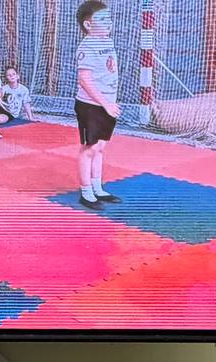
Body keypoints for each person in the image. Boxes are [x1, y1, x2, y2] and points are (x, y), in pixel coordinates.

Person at [73, 0, 122, 209]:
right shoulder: (87, 46)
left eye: (109, 18)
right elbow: (85, 80)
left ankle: (97, 187)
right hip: (90, 105)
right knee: (90, 148)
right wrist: (105, 103)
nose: (108, 22)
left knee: (100, 147)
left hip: (107, 103)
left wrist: (110, 102)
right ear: (88, 24)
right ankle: (86, 192)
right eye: (102, 19)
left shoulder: (107, 41)